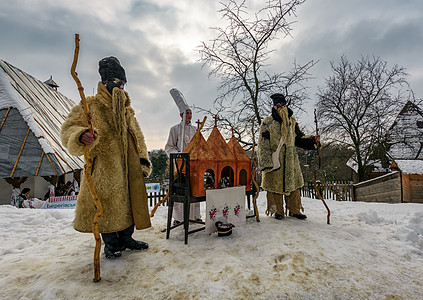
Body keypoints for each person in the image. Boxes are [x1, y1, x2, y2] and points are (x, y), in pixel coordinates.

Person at [61, 56, 151, 259]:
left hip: (128, 168)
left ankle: (127, 238)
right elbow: (67, 129)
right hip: (103, 169)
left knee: (128, 204)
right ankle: (111, 244)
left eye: (123, 83)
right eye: (116, 82)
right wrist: (81, 134)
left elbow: (138, 138)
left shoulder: (127, 111)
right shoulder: (89, 106)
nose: (120, 87)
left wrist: (142, 162)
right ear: (105, 83)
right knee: (108, 206)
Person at [258, 93, 320, 220]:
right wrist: (266, 163)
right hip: (275, 159)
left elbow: (299, 138)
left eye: (283, 104)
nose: (281, 107)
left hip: (291, 159)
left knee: (294, 185)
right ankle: (278, 211)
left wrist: (313, 141)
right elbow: (262, 144)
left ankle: (294, 210)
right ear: (274, 106)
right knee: (275, 186)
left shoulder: (292, 121)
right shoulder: (267, 122)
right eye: (278, 105)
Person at [164, 108, 202, 225]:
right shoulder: (175, 129)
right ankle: (179, 218)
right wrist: (180, 154)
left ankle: (195, 216)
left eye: (191, 113)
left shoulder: (196, 130)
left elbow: (200, 146)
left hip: (194, 165)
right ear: (181, 114)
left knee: (194, 189)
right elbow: (169, 147)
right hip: (180, 165)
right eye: (187, 113)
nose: (189, 115)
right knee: (180, 190)